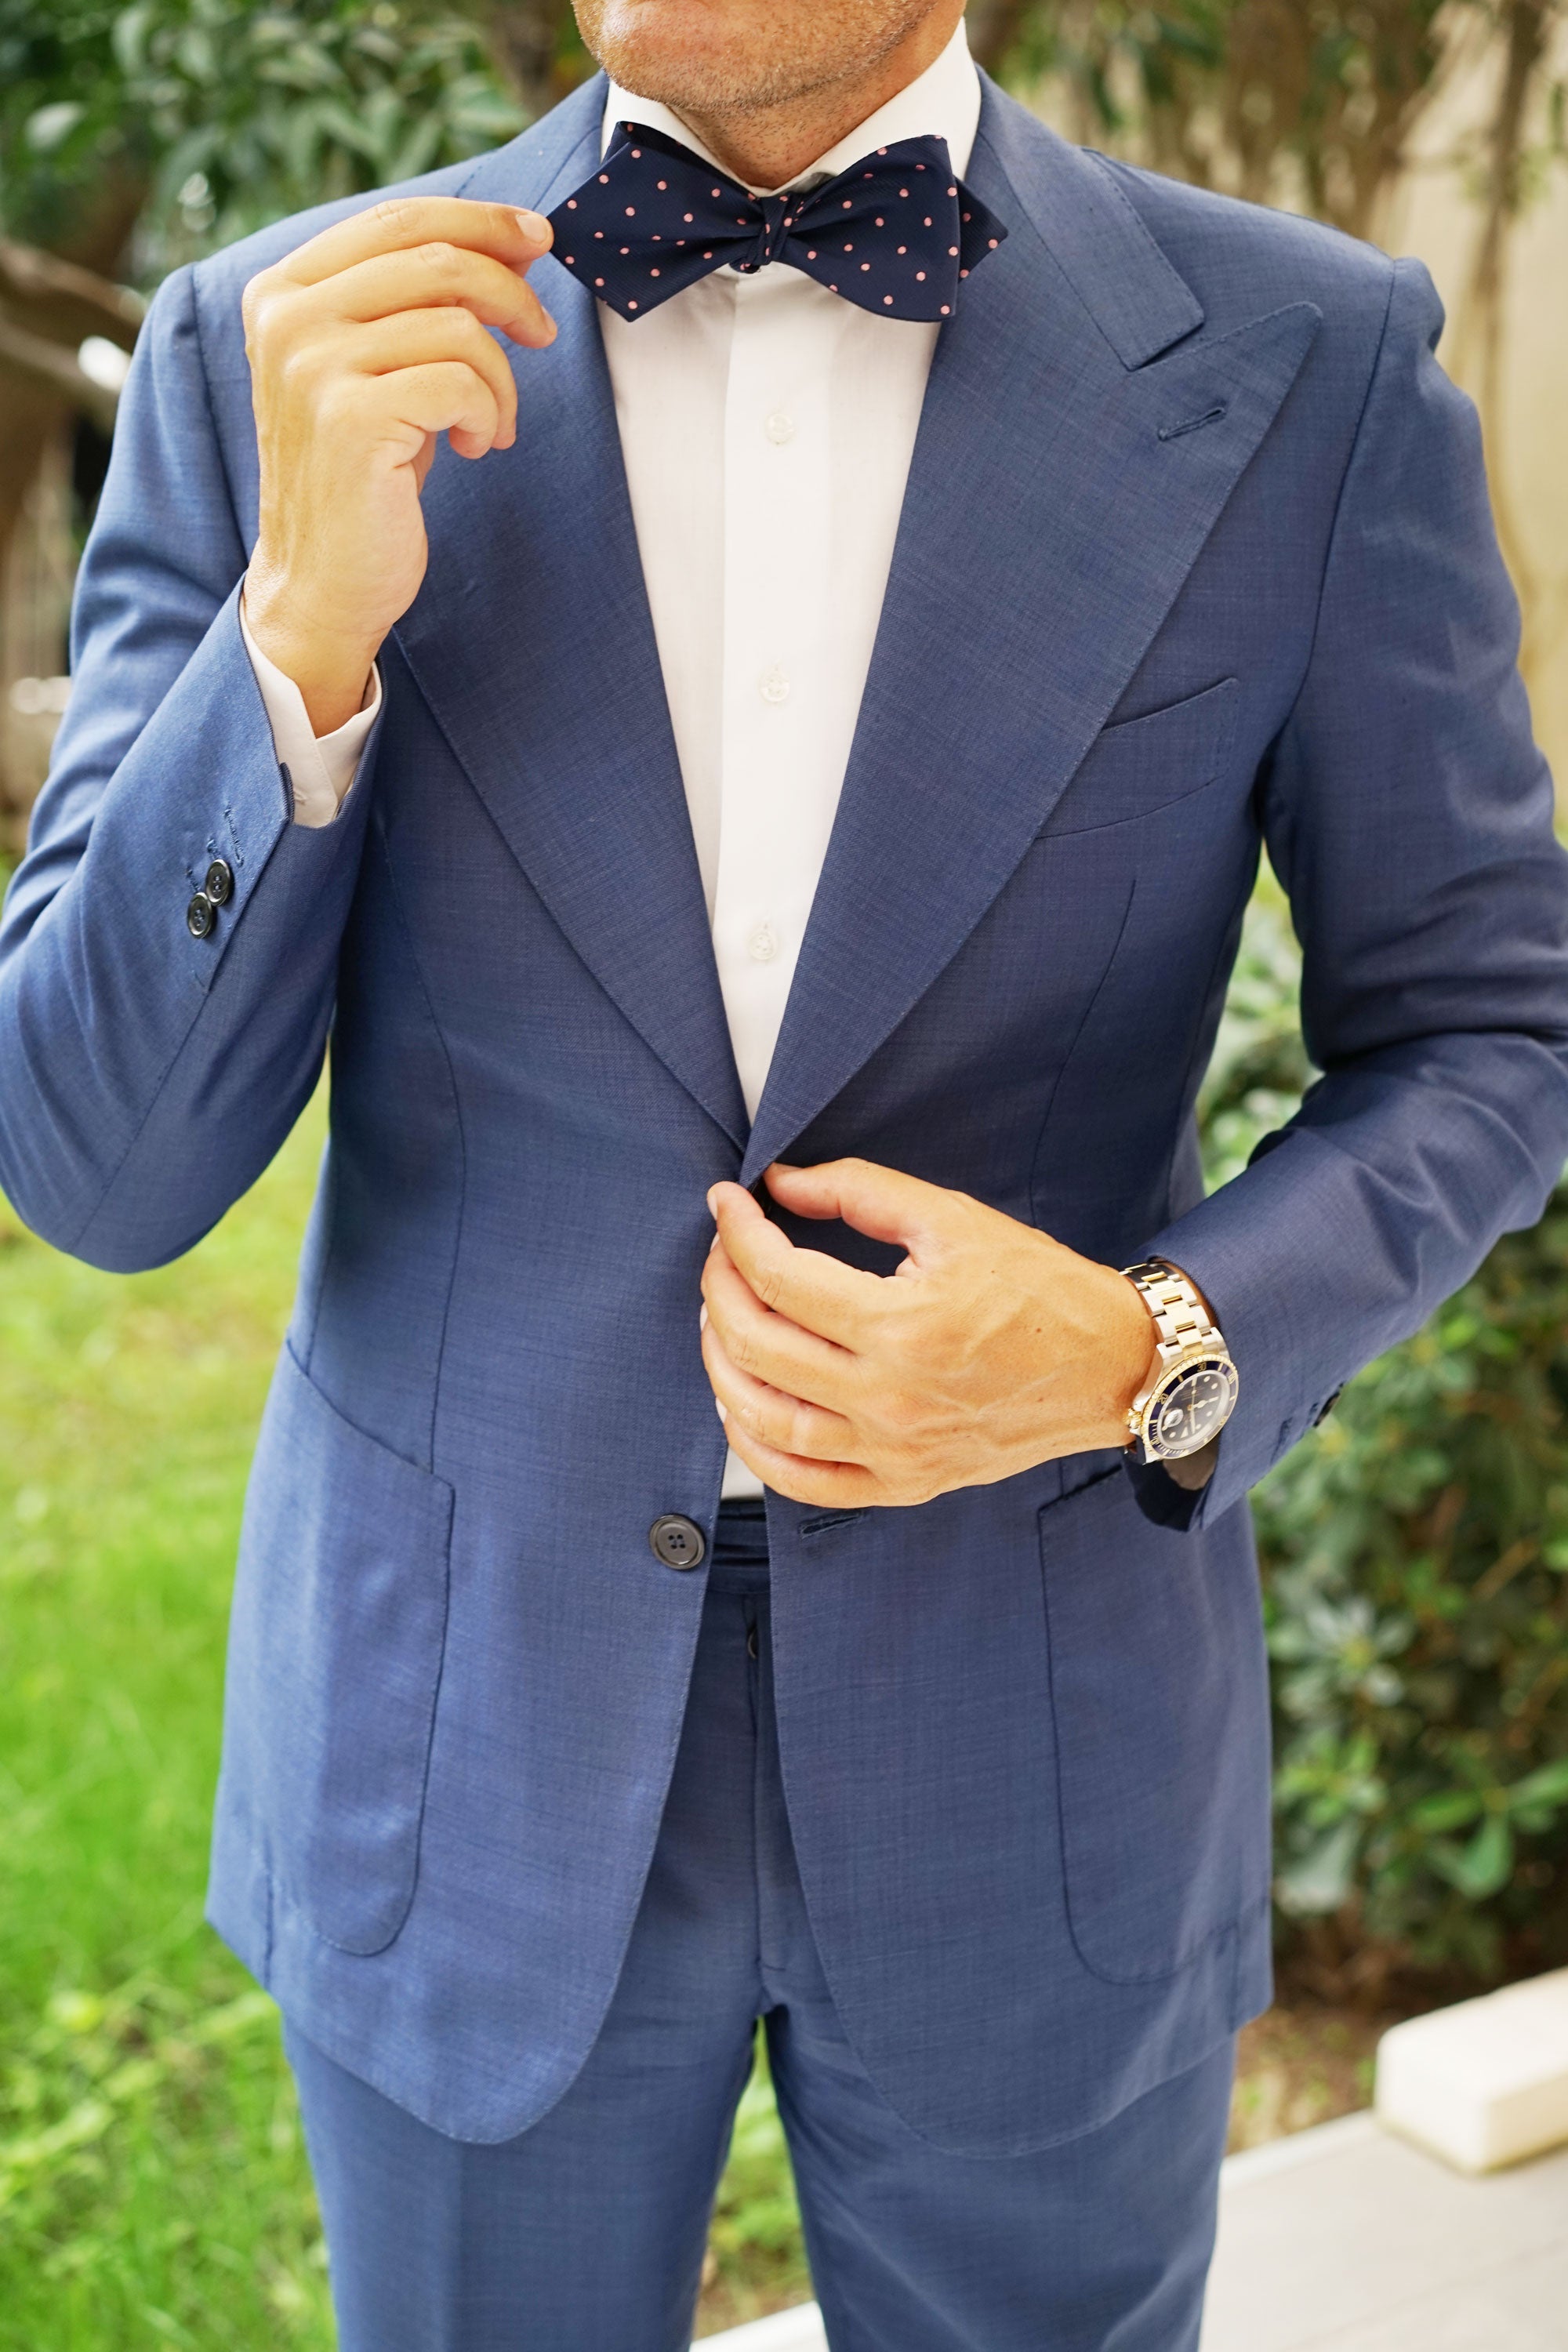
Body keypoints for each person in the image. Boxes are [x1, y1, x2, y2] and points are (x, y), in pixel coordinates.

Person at [3, 0, 1566, 2343]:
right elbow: (97, 1166)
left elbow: (1486, 1030)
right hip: (464, 1743)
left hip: (1036, 1750)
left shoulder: (1305, 364)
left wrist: (1154, 1343)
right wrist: (294, 635)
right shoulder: (281, 349)